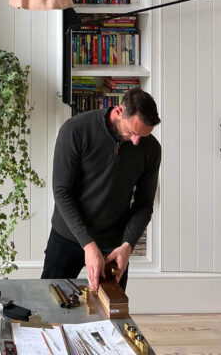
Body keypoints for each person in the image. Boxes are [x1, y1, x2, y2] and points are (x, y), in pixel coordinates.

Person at [41, 86, 161, 292]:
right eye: (132, 132)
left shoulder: (151, 148)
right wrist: (88, 244)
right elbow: (62, 192)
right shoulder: (75, 130)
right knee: (48, 304)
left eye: (143, 135)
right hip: (68, 235)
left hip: (112, 244)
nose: (136, 141)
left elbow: (144, 205)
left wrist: (127, 245)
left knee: (111, 313)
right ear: (118, 111)